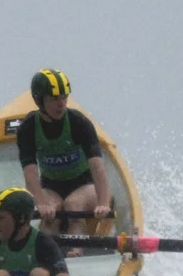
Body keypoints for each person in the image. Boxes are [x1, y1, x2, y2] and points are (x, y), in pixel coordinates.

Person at [16, 69, 114, 233]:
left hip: (85, 183)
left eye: (64, 97)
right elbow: (30, 174)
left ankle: (75, 247)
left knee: (73, 206)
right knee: (50, 216)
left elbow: (97, 167)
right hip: (51, 185)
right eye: (54, 99)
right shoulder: (28, 127)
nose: (61, 104)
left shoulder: (79, 122)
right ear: (38, 101)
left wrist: (103, 204)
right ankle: (47, 247)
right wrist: (41, 204)